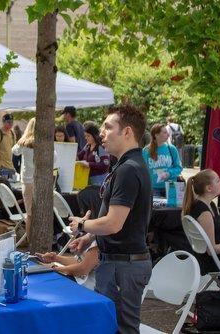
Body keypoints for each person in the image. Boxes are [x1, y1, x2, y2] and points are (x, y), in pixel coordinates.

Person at [68, 104, 152, 333]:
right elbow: (116, 220)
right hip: (118, 264)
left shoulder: (128, 169)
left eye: (108, 127)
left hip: (123, 266)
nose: (102, 133)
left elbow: (114, 223)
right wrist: (89, 237)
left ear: (127, 132)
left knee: (120, 329)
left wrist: (82, 224)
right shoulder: (125, 166)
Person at [182, 169, 220, 277]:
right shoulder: (204, 213)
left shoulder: (210, 205)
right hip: (214, 261)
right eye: (217, 181)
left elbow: (218, 236)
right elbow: (211, 250)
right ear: (209, 188)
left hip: (219, 257)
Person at [142, 123, 183, 197]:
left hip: (170, 187)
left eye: (167, 132)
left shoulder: (171, 149)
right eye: (164, 132)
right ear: (156, 135)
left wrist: (169, 173)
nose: (168, 134)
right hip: (153, 189)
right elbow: (142, 171)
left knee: (171, 208)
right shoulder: (146, 151)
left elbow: (179, 167)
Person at [0, 113, 16, 179]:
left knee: (11, 187)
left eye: (12, 122)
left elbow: (13, 150)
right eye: (8, 122)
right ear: (3, 122)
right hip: (1, 167)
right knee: (0, 187)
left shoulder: (12, 133)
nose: (10, 124)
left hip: (10, 167)